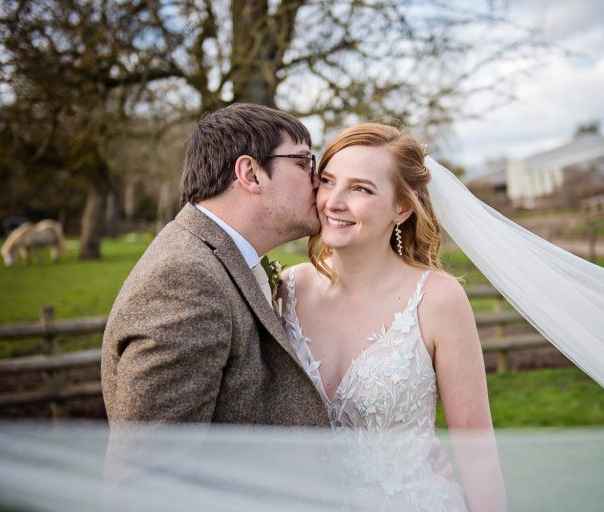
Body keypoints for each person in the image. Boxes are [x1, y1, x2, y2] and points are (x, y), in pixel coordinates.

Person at [279, 123, 507, 511]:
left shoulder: (437, 299)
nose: (334, 201)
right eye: (329, 181)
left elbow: (479, 456)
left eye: (361, 189)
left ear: (401, 208)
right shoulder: (286, 290)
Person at [101, 103, 328, 427]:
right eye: (304, 162)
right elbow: (149, 472)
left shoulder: (217, 260)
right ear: (250, 174)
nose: (318, 181)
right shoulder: (184, 281)